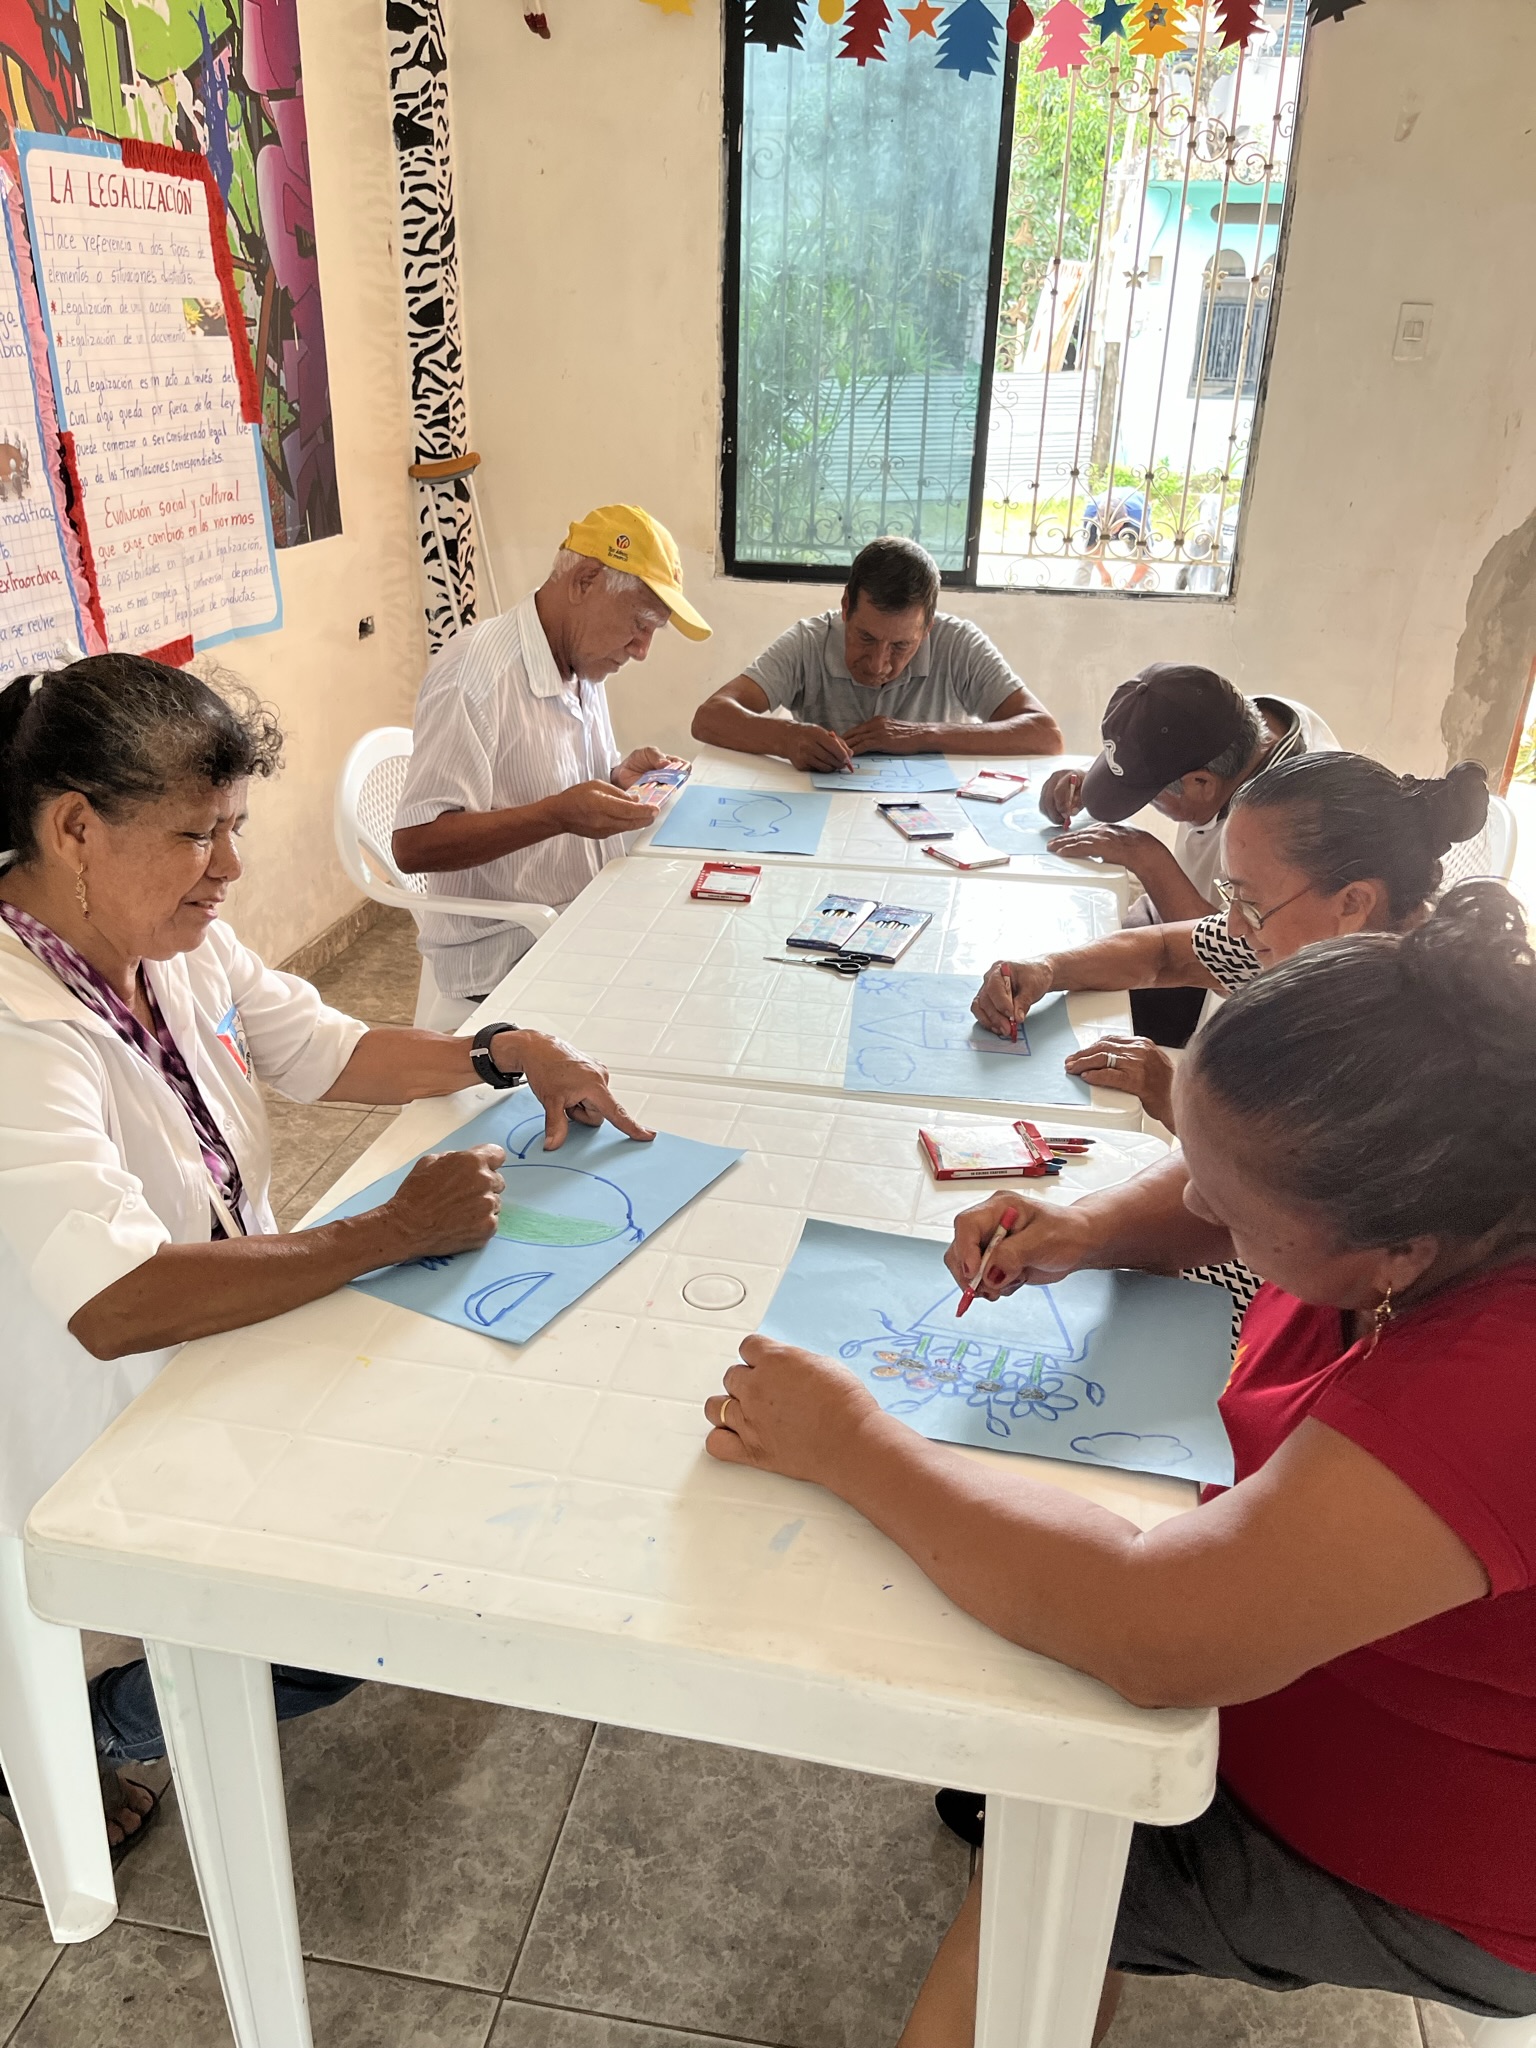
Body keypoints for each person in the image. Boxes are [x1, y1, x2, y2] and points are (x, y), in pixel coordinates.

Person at [703, 882, 1536, 2043]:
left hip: (1435, 1839)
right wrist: (1088, 1228)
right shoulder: (1425, 1157)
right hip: (1305, 1648)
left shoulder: (1496, 1383)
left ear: (1395, 1251)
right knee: (1022, 1688)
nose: (1195, 1202)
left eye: (1233, 1211)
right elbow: (1230, 1180)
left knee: (1052, 1865)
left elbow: (1156, 1632)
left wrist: (852, 1442)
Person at [0, 655, 652, 1856]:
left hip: (218, 1334)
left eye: (235, 829)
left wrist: (504, 1050)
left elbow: (327, 1048)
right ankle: (78, 1725)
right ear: (74, 828)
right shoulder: (17, 1024)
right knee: (336, 1620)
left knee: (416, 1485)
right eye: (198, 835)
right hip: (100, 1403)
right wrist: (388, 1230)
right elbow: (110, 1301)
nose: (230, 868)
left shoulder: (170, 940)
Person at [974, 754, 1491, 1127]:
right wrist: (1046, 968)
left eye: (1251, 902)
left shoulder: (1419, 1047)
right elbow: (1164, 954)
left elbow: (1283, 1201)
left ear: (1353, 902)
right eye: (1232, 896)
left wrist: (1175, 1097)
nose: (1236, 926)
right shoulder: (1315, 937)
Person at [392, 504, 711, 1014]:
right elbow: (414, 846)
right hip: (509, 950)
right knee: (682, 999)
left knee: (707, 944)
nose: (642, 650)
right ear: (585, 581)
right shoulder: (475, 675)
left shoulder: (582, 664)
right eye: (640, 624)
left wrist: (617, 779)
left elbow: (558, 786)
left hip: (581, 917)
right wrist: (555, 816)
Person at [1040, 662, 1338, 1046]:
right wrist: (1101, 781)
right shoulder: (1240, 724)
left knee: (1094, 1007)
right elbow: (1169, 738)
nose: (1145, 803)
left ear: (1201, 782)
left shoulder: (1279, 834)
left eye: (1150, 795)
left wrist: (1148, 858)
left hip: (1239, 985)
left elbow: (1235, 954)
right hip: (1192, 920)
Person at [690, 535, 1062, 772]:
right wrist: (786, 738)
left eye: (901, 646)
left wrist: (923, 735)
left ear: (927, 628)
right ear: (846, 607)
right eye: (865, 637)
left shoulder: (959, 644)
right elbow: (709, 717)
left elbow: (1045, 735)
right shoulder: (809, 641)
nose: (879, 664)